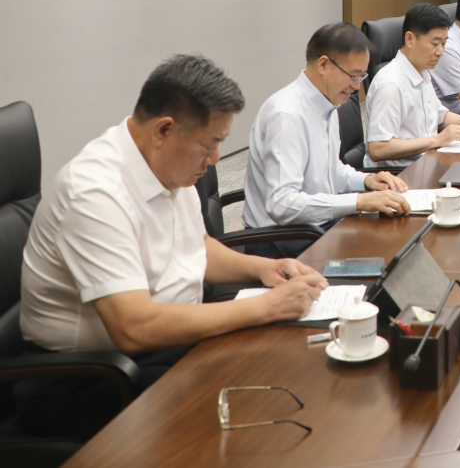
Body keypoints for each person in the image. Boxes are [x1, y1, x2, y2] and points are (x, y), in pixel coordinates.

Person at [17, 55, 329, 440]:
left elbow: (198, 248)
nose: (216, 159)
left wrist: (263, 269)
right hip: (87, 377)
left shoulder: (168, 166)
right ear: (164, 129)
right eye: (210, 144)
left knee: (273, 362)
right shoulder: (94, 193)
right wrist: (264, 306)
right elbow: (134, 327)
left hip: (163, 344)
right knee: (242, 408)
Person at [243, 23, 411, 254]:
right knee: (379, 256)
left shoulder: (327, 102)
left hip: (317, 225)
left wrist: (367, 181)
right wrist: (359, 201)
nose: (356, 86)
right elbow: (282, 204)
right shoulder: (287, 116)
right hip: (282, 240)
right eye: (353, 76)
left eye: (361, 77)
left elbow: (330, 171)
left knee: (397, 242)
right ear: (323, 64)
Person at [365, 3, 460, 164]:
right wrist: (437, 140)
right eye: (434, 43)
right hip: (401, 173)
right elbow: (378, 149)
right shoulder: (391, 84)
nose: (440, 51)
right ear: (410, 39)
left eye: (444, 44)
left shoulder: (422, 72)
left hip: (429, 161)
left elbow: (440, 116)